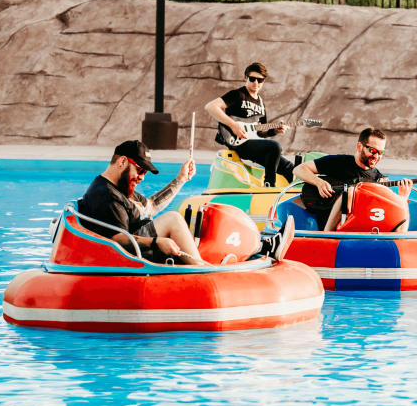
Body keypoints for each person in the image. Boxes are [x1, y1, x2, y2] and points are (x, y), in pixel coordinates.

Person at [77, 140, 208, 264]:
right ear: (122, 161)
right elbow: (116, 240)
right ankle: (202, 270)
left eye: (145, 172)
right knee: (173, 219)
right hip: (131, 256)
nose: (142, 177)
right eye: (140, 170)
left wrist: (182, 178)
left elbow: (151, 206)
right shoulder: (105, 195)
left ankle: (198, 265)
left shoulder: (122, 187)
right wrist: (157, 242)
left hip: (140, 248)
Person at [292, 127, 412, 230]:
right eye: (372, 151)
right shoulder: (339, 162)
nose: (376, 156)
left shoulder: (379, 178)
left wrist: (402, 198)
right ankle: (326, 235)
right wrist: (319, 183)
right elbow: (298, 169)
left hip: (360, 228)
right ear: (359, 147)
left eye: (380, 152)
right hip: (330, 225)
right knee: (349, 192)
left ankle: (401, 243)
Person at [204, 61, 295, 187]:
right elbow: (210, 106)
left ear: (264, 81)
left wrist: (274, 131)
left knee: (289, 167)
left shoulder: (261, 103)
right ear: (246, 77)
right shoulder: (237, 95)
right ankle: (269, 185)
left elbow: (260, 132)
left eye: (260, 80)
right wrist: (233, 125)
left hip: (254, 144)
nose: (256, 83)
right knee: (274, 146)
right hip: (239, 143)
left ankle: (295, 192)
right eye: (252, 79)